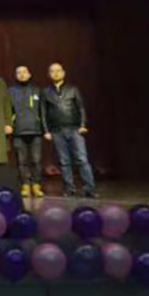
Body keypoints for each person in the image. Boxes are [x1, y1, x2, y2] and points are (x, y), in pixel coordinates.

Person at [42, 62, 96, 198]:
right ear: (48, 75)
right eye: (52, 71)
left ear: (63, 73)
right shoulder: (46, 92)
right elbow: (43, 113)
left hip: (75, 129)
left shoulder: (73, 89)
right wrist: (46, 131)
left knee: (82, 159)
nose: (56, 73)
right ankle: (69, 189)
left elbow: (81, 108)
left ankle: (89, 189)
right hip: (57, 131)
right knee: (64, 162)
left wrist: (83, 124)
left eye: (58, 70)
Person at [8, 66, 45, 198]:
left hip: (36, 131)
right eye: (18, 73)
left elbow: (43, 111)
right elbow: (8, 111)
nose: (22, 75)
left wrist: (45, 129)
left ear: (29, 74)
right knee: (21, 161)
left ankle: (36, 184)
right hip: (18, 131)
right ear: (16, 75)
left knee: (36, 160)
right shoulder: (11, 91)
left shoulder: (37, 90)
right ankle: (25, 185)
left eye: (24, 72)